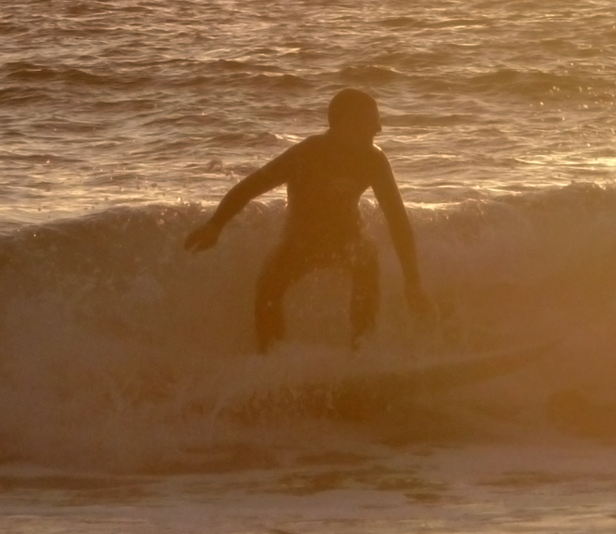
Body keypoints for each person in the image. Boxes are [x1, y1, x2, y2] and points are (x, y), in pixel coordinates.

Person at [184, 88, 431, 352]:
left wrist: (413, 282)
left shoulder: (373, 159)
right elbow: (252, 186)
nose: (378, 128)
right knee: (267, 289)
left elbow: (397, 219)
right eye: (370, 121)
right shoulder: (307, 154)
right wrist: (215, 224)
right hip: (301, 242)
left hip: (347, 239)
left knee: (367, 260)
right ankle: (272, 362)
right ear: (345, 124)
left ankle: (362, 352)